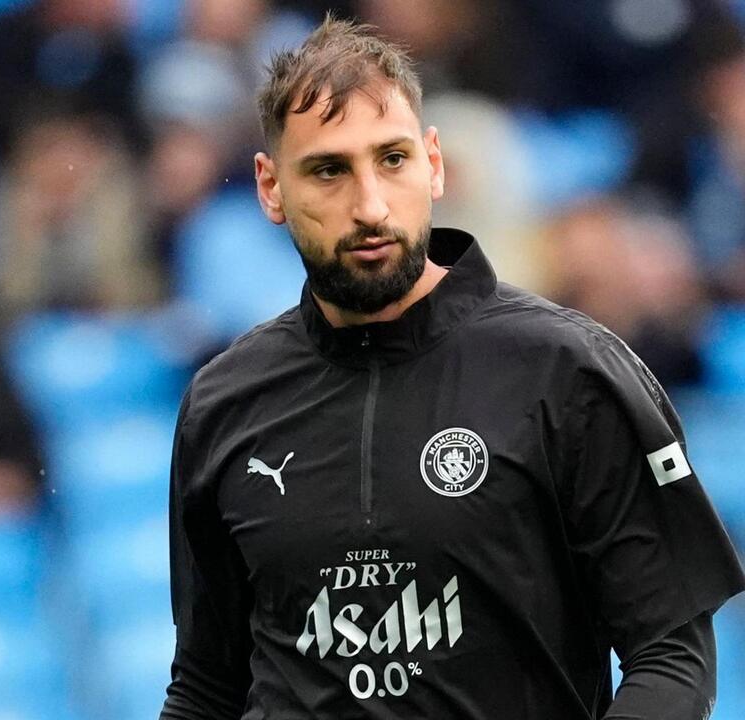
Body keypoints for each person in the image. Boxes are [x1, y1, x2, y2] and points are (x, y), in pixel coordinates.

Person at [161, 15, 745, 720]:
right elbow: (205, 689)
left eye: (393, 159)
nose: (370, 205)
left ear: (434, 163)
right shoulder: (223, 403)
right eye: (328, 170)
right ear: (270, 187)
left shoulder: (569, 372)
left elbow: (672, 656)